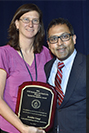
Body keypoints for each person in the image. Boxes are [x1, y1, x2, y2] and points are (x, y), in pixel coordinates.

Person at [0, 3, 52, 133]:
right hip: (11, 129)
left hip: (39, 129)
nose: (30, 24)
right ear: (17, 24)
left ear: (39, 26)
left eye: (35, 21)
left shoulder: (46, 53)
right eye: (26, 20)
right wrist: (23, 128)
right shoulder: (3, 54)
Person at [44, 18, 86, 133]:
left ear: (74, 39)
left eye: (64, 37)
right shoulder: (47, 67)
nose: (59, 43)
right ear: (48, 44)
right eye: (53, 39)